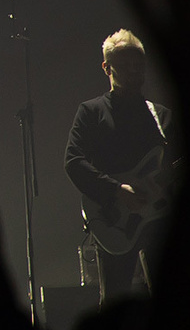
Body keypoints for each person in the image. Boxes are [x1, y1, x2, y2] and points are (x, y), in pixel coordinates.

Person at [64, 26, 174, 300]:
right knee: (116, 301)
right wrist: (116, 190)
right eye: (125, 65)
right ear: (106, 67)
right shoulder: (91, 112)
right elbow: (73, 161)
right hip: (115, 219)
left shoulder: (160, 116)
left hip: (159, 219)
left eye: (138, 65)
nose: (134, 71)